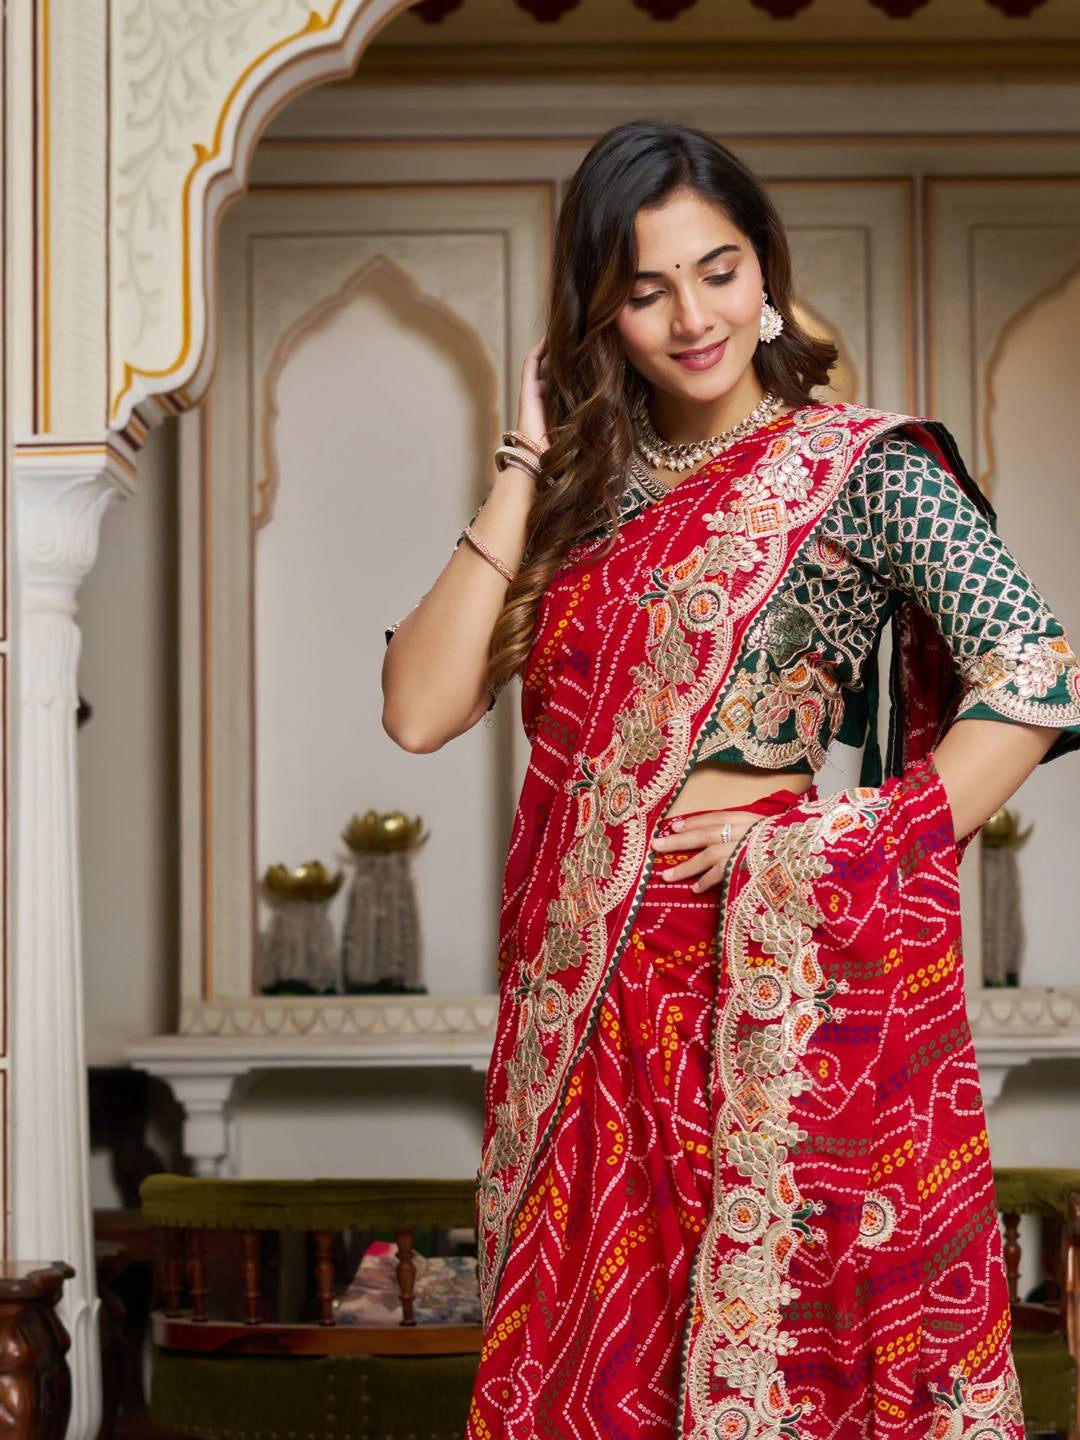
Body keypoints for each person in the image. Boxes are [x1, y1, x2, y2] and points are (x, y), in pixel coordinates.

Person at [381, 121, 1080, 1440]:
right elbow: (420, 708)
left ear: (767, 272)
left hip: (748, 1016)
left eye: (717, 270)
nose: (691, 316)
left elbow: (1037, 675)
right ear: (602, 314)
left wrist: (843, 836)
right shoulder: (586, 499)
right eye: (644, 290)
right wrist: (528, 462)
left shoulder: (864, 470)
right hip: (580, 1033)